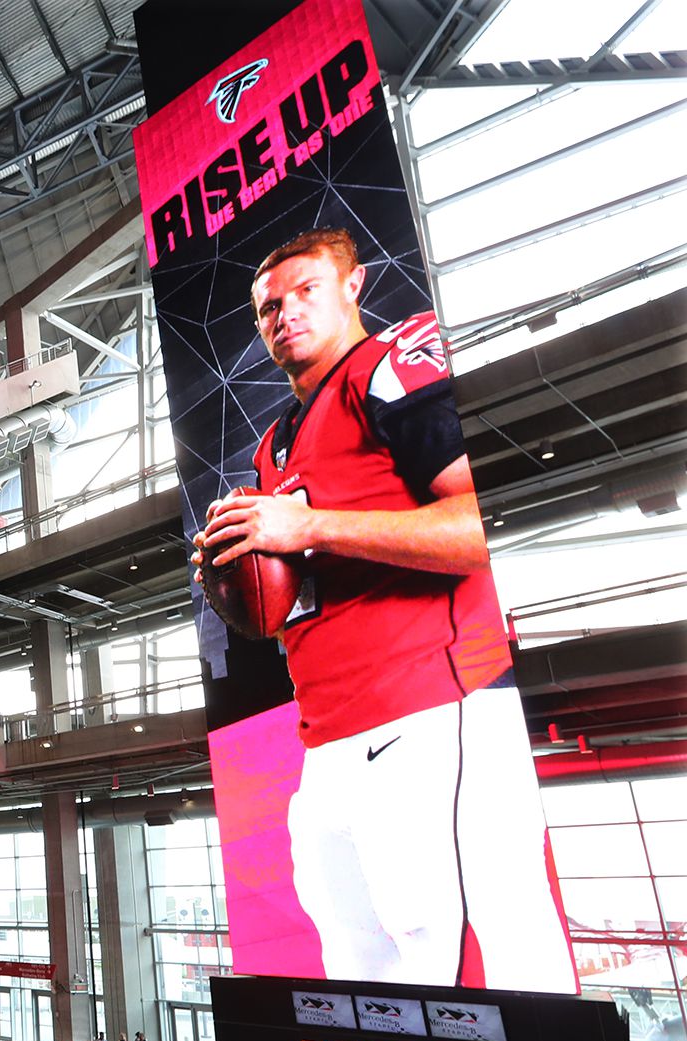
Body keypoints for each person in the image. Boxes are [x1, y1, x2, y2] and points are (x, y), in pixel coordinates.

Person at [194, 225, 572, 991]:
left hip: (433, 708)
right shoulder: (274, 445)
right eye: (269, 306)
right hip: (331, 733)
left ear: (353, 286)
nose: (284, 313)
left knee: (470, 961)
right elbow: (293, 598)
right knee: (363, 977)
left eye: (305, 291)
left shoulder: (391, 368)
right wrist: (235, 576)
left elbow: (479, 525)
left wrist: (310, 525)